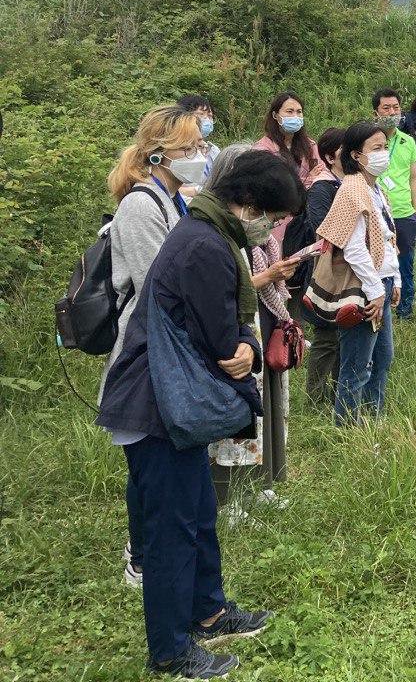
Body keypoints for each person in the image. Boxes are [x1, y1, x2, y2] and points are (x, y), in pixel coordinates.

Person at [95, 150, 302, 679]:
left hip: (170, 401)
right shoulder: (206, 247)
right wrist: (250, 348)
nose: (273, 229)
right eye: (275, 218)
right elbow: (222, 345)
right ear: (249, 204)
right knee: (172, 528)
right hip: (155, 404)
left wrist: (243, 346)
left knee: (199, 509)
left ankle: (208, 610)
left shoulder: (206, 232)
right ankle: (169, 649)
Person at [104, 105, 204, 589]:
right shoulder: (141, 206)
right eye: (187, 149)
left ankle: (147, 550)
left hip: (170, 344)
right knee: (149, 461)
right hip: (145, 349)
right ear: (159, 153)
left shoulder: (174, 199)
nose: (197, 156)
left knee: (160, 459)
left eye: (198, 147)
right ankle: (141, 556)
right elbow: (156, 286)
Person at [205, 145, 300, 505]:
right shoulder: (219, 230)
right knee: (237, 414)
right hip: (236, 332)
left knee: (266, 410)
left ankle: (259, 483)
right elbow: (231, 284)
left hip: (262, 324)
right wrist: (269, 277)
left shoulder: (252, 230)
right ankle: (229, 496)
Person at [319, 122, 401, 424]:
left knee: (382, 358)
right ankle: (347, 426)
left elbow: (387, 238)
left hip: (382, 281)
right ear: (356, 154)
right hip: (364, 287)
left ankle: (372, 418)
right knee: (357, 363)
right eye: (375, 148)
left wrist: (395, 280)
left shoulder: (375, 189)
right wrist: (376, 289)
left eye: (384, 147)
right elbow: (353, 249)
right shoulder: (351, 190)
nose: (383, 154)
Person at [301, 127, 346, 406]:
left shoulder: (350, 184)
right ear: (330, 157)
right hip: (327, 270)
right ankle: (315, 397)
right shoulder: (321, 187)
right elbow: (322, 229)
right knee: (326, 336)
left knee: (344, 334)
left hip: (349, 269)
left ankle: (337, 393)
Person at [372, 89, 416, 319]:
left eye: (396, 108)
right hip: (376, 211)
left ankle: (405, 309)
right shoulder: (369, 141)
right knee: (376, 260)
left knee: (405, 261)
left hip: (403, 212)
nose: (392, 112)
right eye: (386, 108)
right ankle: (379, 304)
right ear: (376, 112)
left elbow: (414, 177)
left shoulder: (408, 141)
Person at [255, 92, 322, 248]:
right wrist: (307, 180)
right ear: (275, 115)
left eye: (299, 112)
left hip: (306, 217)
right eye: (289, 111)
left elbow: (322, 173)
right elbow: (275, 187)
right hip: (277, 218)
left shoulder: (310, 146)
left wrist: (303, 182)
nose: (295, 116)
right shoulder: (263, 150)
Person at [177, 94, 221, 180]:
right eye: (201, 114)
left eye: (210, 116)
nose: (207, 119)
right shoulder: (175, 150)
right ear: (184, 116)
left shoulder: (213, 151)